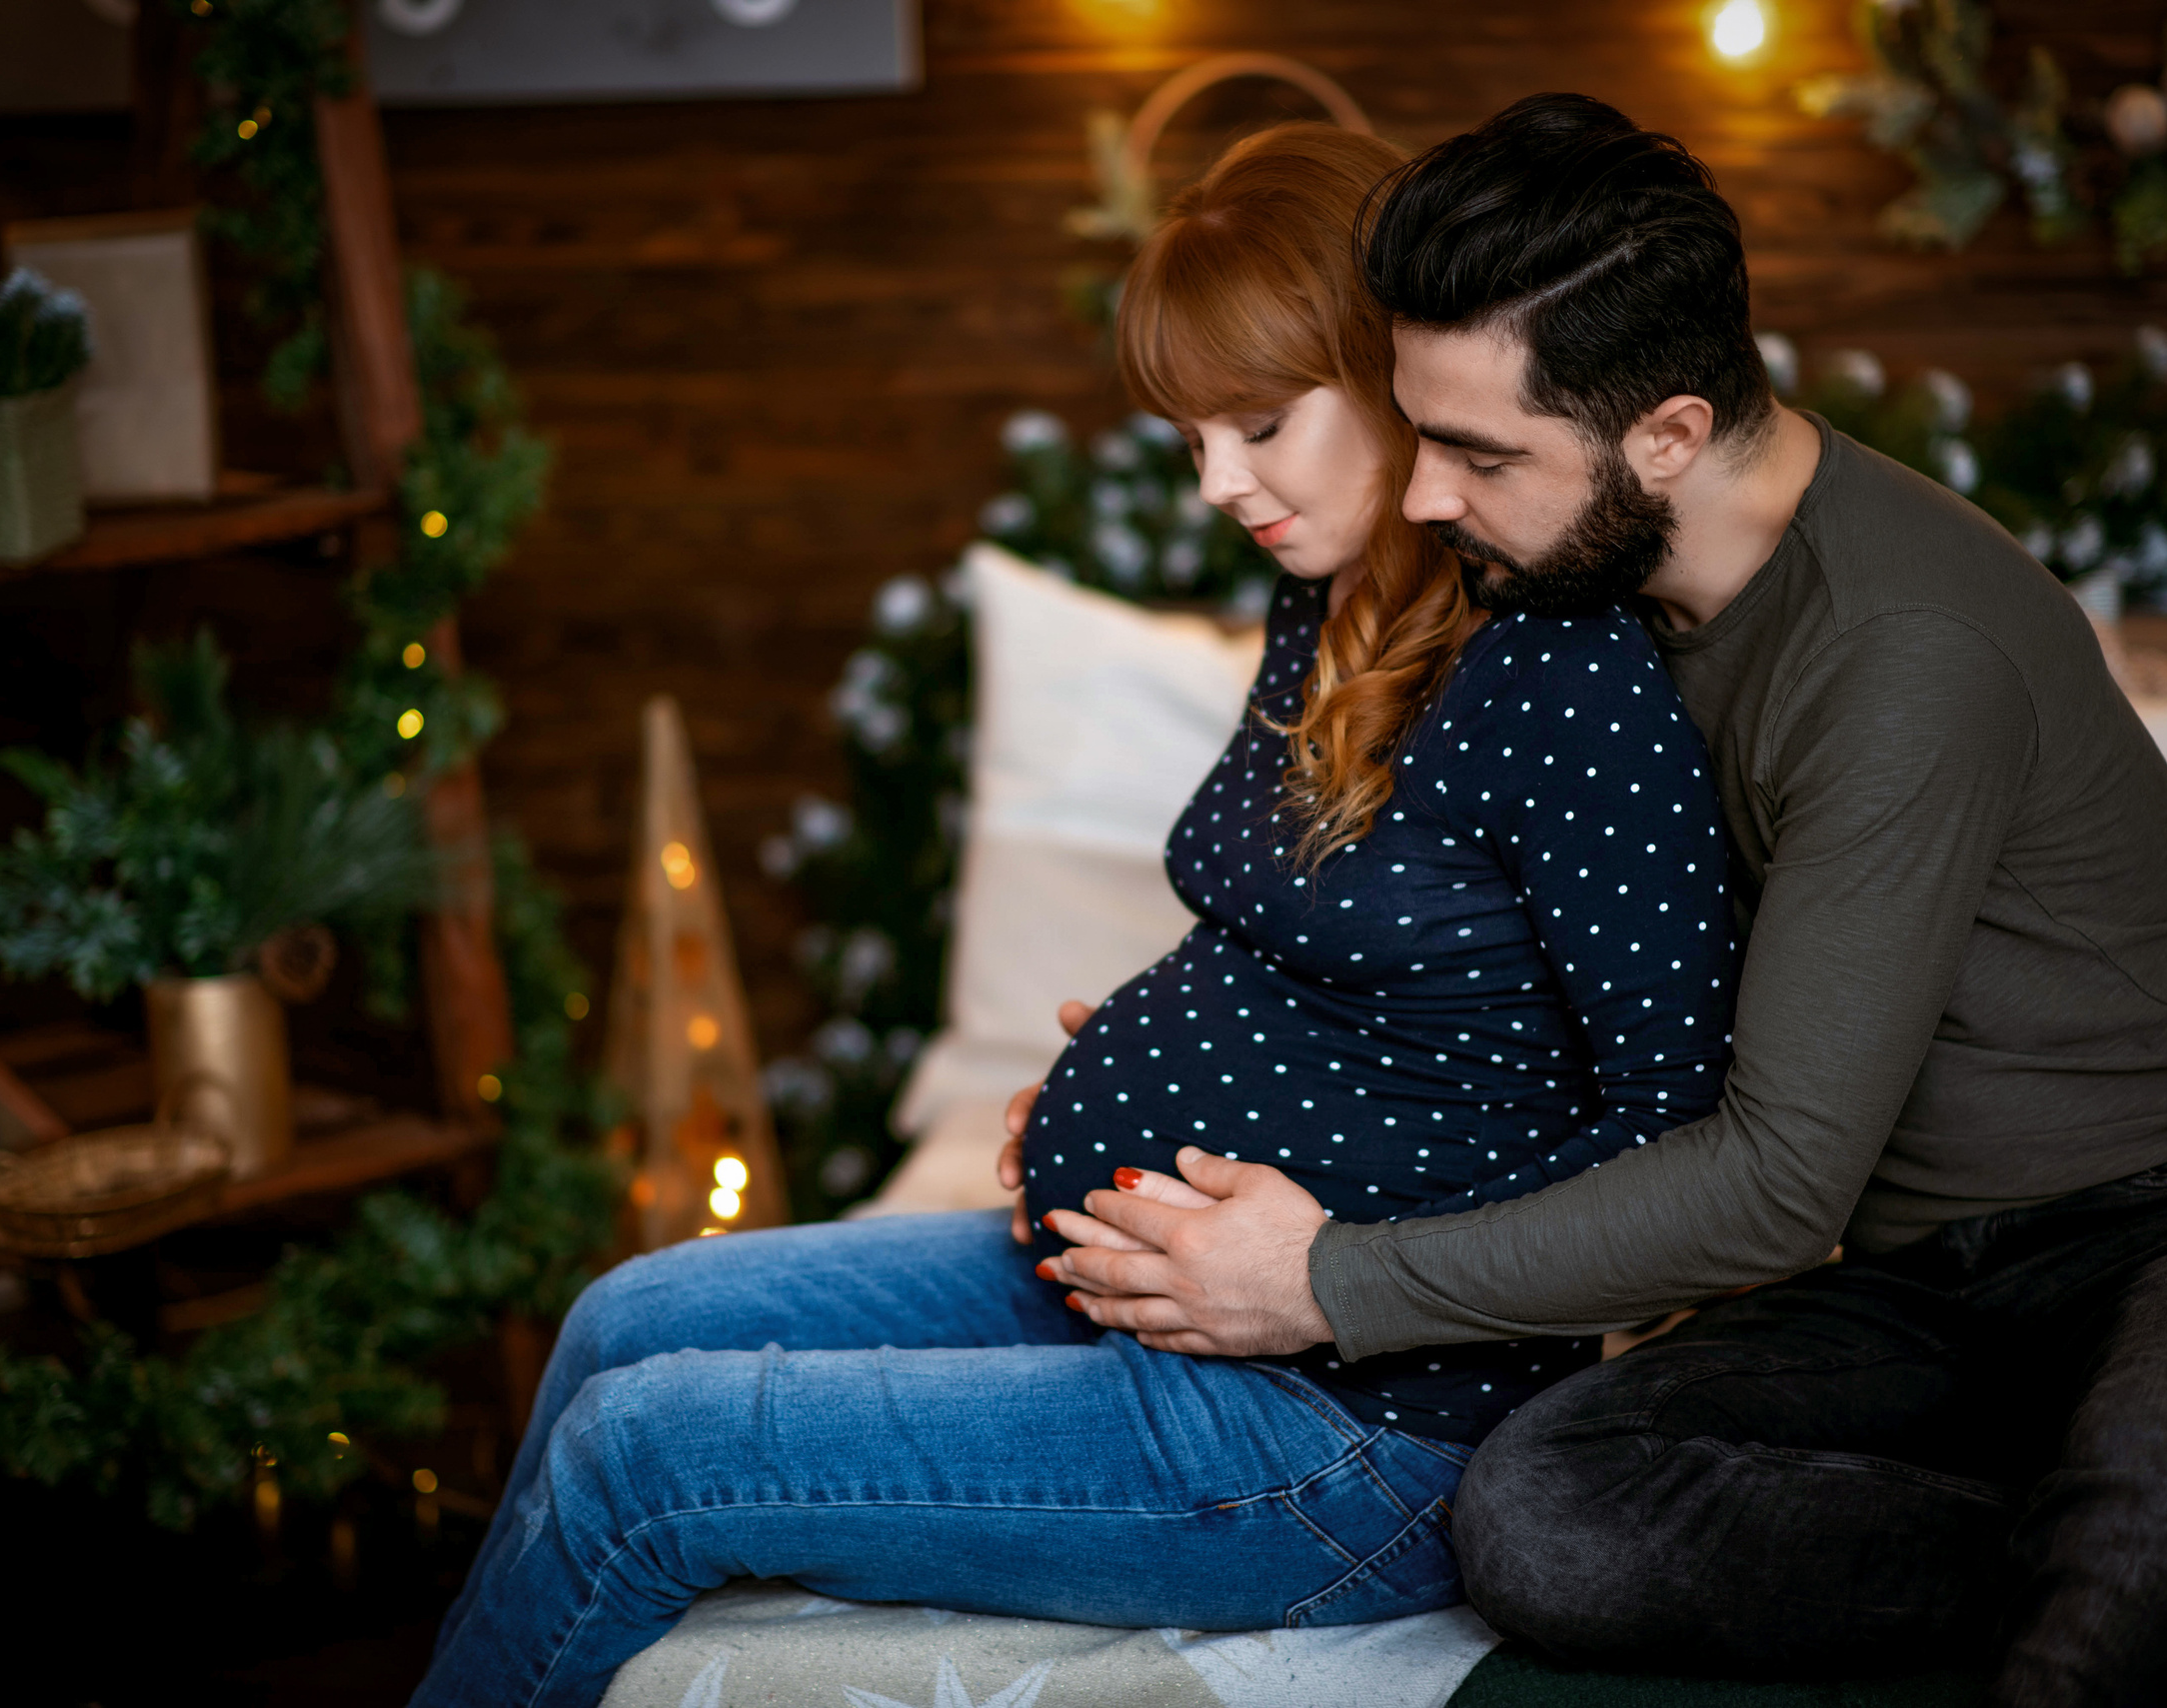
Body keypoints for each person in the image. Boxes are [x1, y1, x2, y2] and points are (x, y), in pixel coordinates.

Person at [1031, 94, 2167, 1707]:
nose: (1424, 500)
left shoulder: (1901, 653)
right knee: (1540, 1511)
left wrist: (1325, 1281)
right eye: (1419, 434)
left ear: (1665, 435)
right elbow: (1493, 948)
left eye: (1476, 454)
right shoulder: (1586, 576)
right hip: (1920, 1278)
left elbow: (1771, 1182)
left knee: (2128, 1585)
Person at [411, 122, 1738, 1708]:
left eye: (1259, 421)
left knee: (645, 1454)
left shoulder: (1570, 678)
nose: (1218, 483)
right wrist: (1133, 1070)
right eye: (1189, 435)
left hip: (1347, 1429)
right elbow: (1302, 937)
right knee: (627, 1312)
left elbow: (1687, 1135)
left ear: (1400, 369)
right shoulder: (1325, 598)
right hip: (1126, 1279)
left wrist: (1340, 1258)